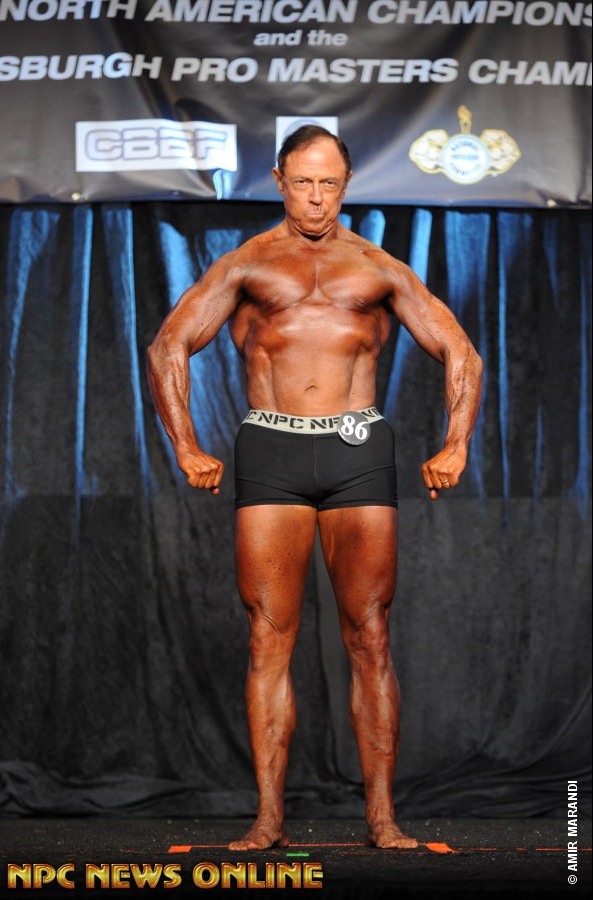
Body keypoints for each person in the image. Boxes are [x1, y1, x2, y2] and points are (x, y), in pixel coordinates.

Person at [147, 125, 483, 851]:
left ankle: (382, 818)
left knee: (371, 635)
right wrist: (185, 445)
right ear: (279, 180)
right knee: (268, 639)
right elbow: (169, 343)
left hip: (358, 449)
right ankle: (269, 818)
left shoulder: (379, 267)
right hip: (272, 449)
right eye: (303, 182)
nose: (316, 197)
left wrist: (456, 442)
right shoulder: (247, 264)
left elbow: (459, 349)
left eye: (329, 183)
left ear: (347, 184)